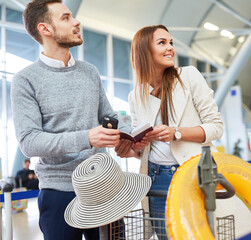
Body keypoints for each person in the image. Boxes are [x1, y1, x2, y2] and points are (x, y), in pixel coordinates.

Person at [11, 1, 133, 239]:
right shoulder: (25, 80)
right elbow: (29, 141)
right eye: (66, 18)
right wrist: (87, 137)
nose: (77, 22)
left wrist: (130, 134)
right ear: (45, 29)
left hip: (102, 185)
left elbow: (109, 116)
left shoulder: (90, 71)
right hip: (59, 192)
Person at [117, 25, 223, 239]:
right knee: (165, 235)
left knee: (195, 235)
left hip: (191, 171)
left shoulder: (189, 77)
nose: (170, 48)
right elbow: (144, 149)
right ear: (145, 51)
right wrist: (131, 149)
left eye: (171, 43)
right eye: (162, 43)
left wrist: (177, 132)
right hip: (155, 176)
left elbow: (216, 127)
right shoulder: (135, 96)